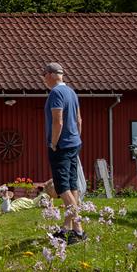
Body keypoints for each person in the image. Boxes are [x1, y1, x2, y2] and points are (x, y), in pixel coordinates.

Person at [42, 63, 85, 243]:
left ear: (51, 75)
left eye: (44, 75)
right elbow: (78, 120)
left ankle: (79, 230)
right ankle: (66, 229)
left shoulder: (56, 93)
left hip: (61, 145)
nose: (43, 79)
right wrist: (76, 138)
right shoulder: (71, 92)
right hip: (74, 143)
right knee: (72, 185)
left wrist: (53, 143)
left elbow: (57, 121)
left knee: (62, 187)